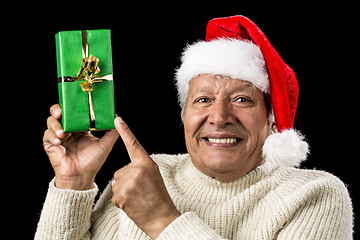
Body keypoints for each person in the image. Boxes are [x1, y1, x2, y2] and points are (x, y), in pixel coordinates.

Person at [35, 15, 353, 239]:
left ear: (272, 121)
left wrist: (162, 220)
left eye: (242, 100)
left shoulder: (315, 195)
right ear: (184, 115)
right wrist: (72, 182)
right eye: (202, 100)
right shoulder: (151, 172)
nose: (219, 116)